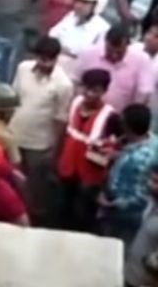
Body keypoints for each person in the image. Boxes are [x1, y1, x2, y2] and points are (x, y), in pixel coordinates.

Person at [9, 37, 74, 223]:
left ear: (56, 59)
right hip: (14, 135)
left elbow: (60, 118)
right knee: (12, 178)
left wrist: (56, 149)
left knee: (35, 185)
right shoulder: (23, 69)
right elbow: (14, 97)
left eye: (49, 60)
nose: (44, 63)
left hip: (39, 143)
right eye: (41, 58)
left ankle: (30, 219)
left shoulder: (63, 84)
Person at [57, 68, 117, 232]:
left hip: (90, 173)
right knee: (62, 206)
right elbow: (66, 131)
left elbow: (115, 144)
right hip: (68, 165)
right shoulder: (75, 102)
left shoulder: (110, 115)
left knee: (83, 212)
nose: (90, 94)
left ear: (104, 91)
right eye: (87, 88)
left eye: (96, 90)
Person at [101, 105, 157, 244]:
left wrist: (111, 204)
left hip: (126, 214)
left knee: (116, 246)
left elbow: (141, 196)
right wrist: (119, 155)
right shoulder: (152, 141)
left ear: (127, 127)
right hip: (126, 209)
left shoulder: (140, 159)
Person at [76, 25, 155, 112]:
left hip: (117, 117)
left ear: (128, 45)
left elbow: (144, 93)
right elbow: (76, 82)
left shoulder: (141, 60)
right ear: (105, 42)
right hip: (84, 110)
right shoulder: (89, 53)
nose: (114, 55)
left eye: (119, 52)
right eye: (110, 51)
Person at [50, 0, 112, 67]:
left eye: (85, 2)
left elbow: (95, 56)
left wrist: (69, 53)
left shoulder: (103, 28)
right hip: (55, 63)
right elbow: (52, 35)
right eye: (77, 1)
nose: (78, 5)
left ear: (96, 5)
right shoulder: (71, 17)